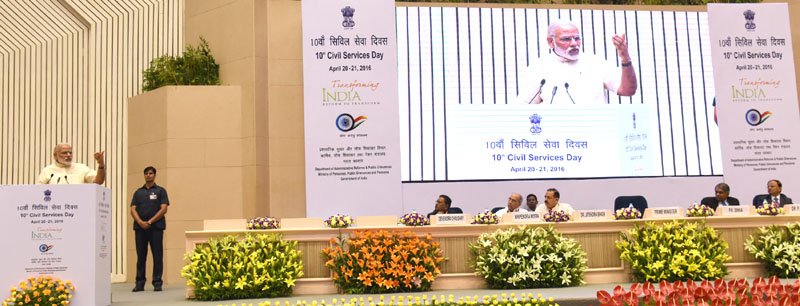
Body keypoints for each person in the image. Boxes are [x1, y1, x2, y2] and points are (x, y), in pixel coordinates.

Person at [515, 19, 637, 104]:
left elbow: (627, 90)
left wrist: (625, 58)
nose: (574, 43)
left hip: (594, 131)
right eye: (566, 39)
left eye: (577, 38)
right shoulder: (538, 68)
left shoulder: (596, 63)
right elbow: (525, 106)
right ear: (550, 42)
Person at [130, 166, 170, 292]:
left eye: (151, 173)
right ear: (144, 175)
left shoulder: (160, 191)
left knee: (157, 256)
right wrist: (140, 222)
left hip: (156, 228)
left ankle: (157, 282)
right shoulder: (138, 192)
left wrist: (150, 221)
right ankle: (139, 283)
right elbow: (132, 209)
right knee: (141, 256)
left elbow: (164, 209)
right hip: (140, 228)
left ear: (154, 175)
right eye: (146, 173)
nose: (148, 175)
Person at [37, 143, 105, 184]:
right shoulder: (47, 170)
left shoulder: (81, 168)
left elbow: (98, 181)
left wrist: (101, 164)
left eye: (70, 152)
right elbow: (38, 191)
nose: (68, 155)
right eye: (64, 153)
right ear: (55, 155)